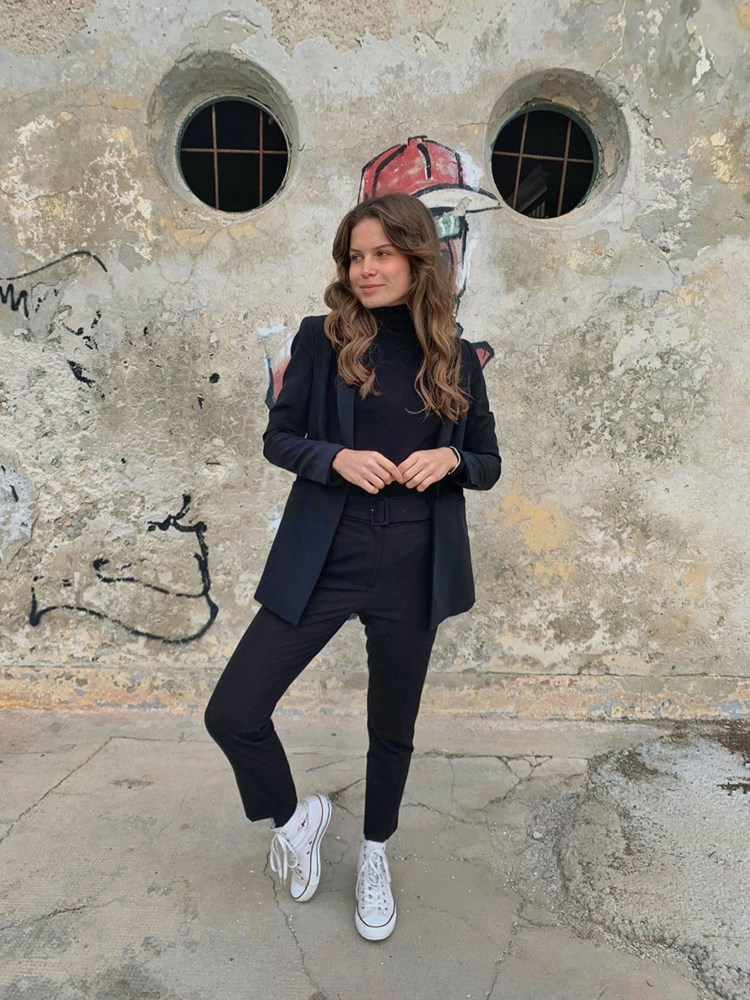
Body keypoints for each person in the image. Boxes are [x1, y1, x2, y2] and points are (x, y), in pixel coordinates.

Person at [204, 192, 501, 942]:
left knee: (391, 727)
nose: (365, 269)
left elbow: (489, 462)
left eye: (382, 254)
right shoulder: (322, 338)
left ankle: (375, 852)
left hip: (415, 561)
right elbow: (279, 438)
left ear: (416, 258)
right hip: (325, 555)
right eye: (354, 257)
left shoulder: (457, 354)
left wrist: (452, 460)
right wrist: (335, 457)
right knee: (233, 711)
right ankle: (294, 818)